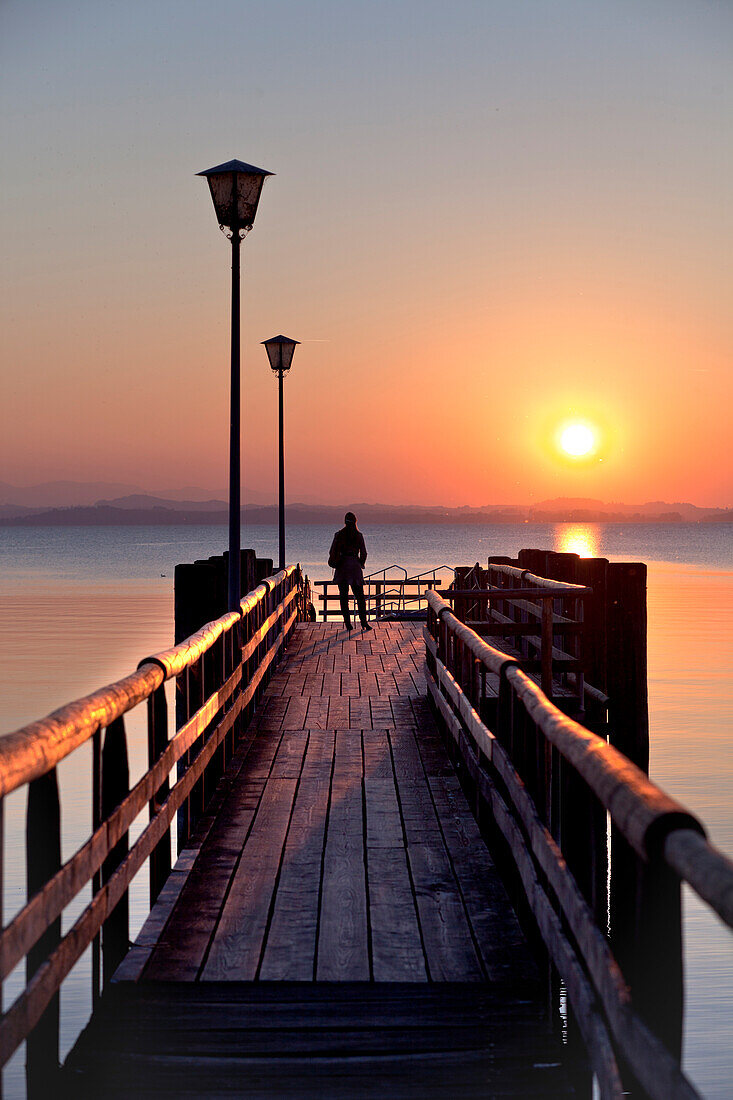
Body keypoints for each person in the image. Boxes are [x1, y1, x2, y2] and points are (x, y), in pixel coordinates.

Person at [328, 512, 371, 632]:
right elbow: (364, 553)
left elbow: (331, 551)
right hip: (354, 567)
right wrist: (360, 563)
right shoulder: (358, 535)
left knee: (343, 596)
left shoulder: (338, 535)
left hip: (342, 566)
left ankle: (348, 623)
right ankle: (364, 622)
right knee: (360, 597)